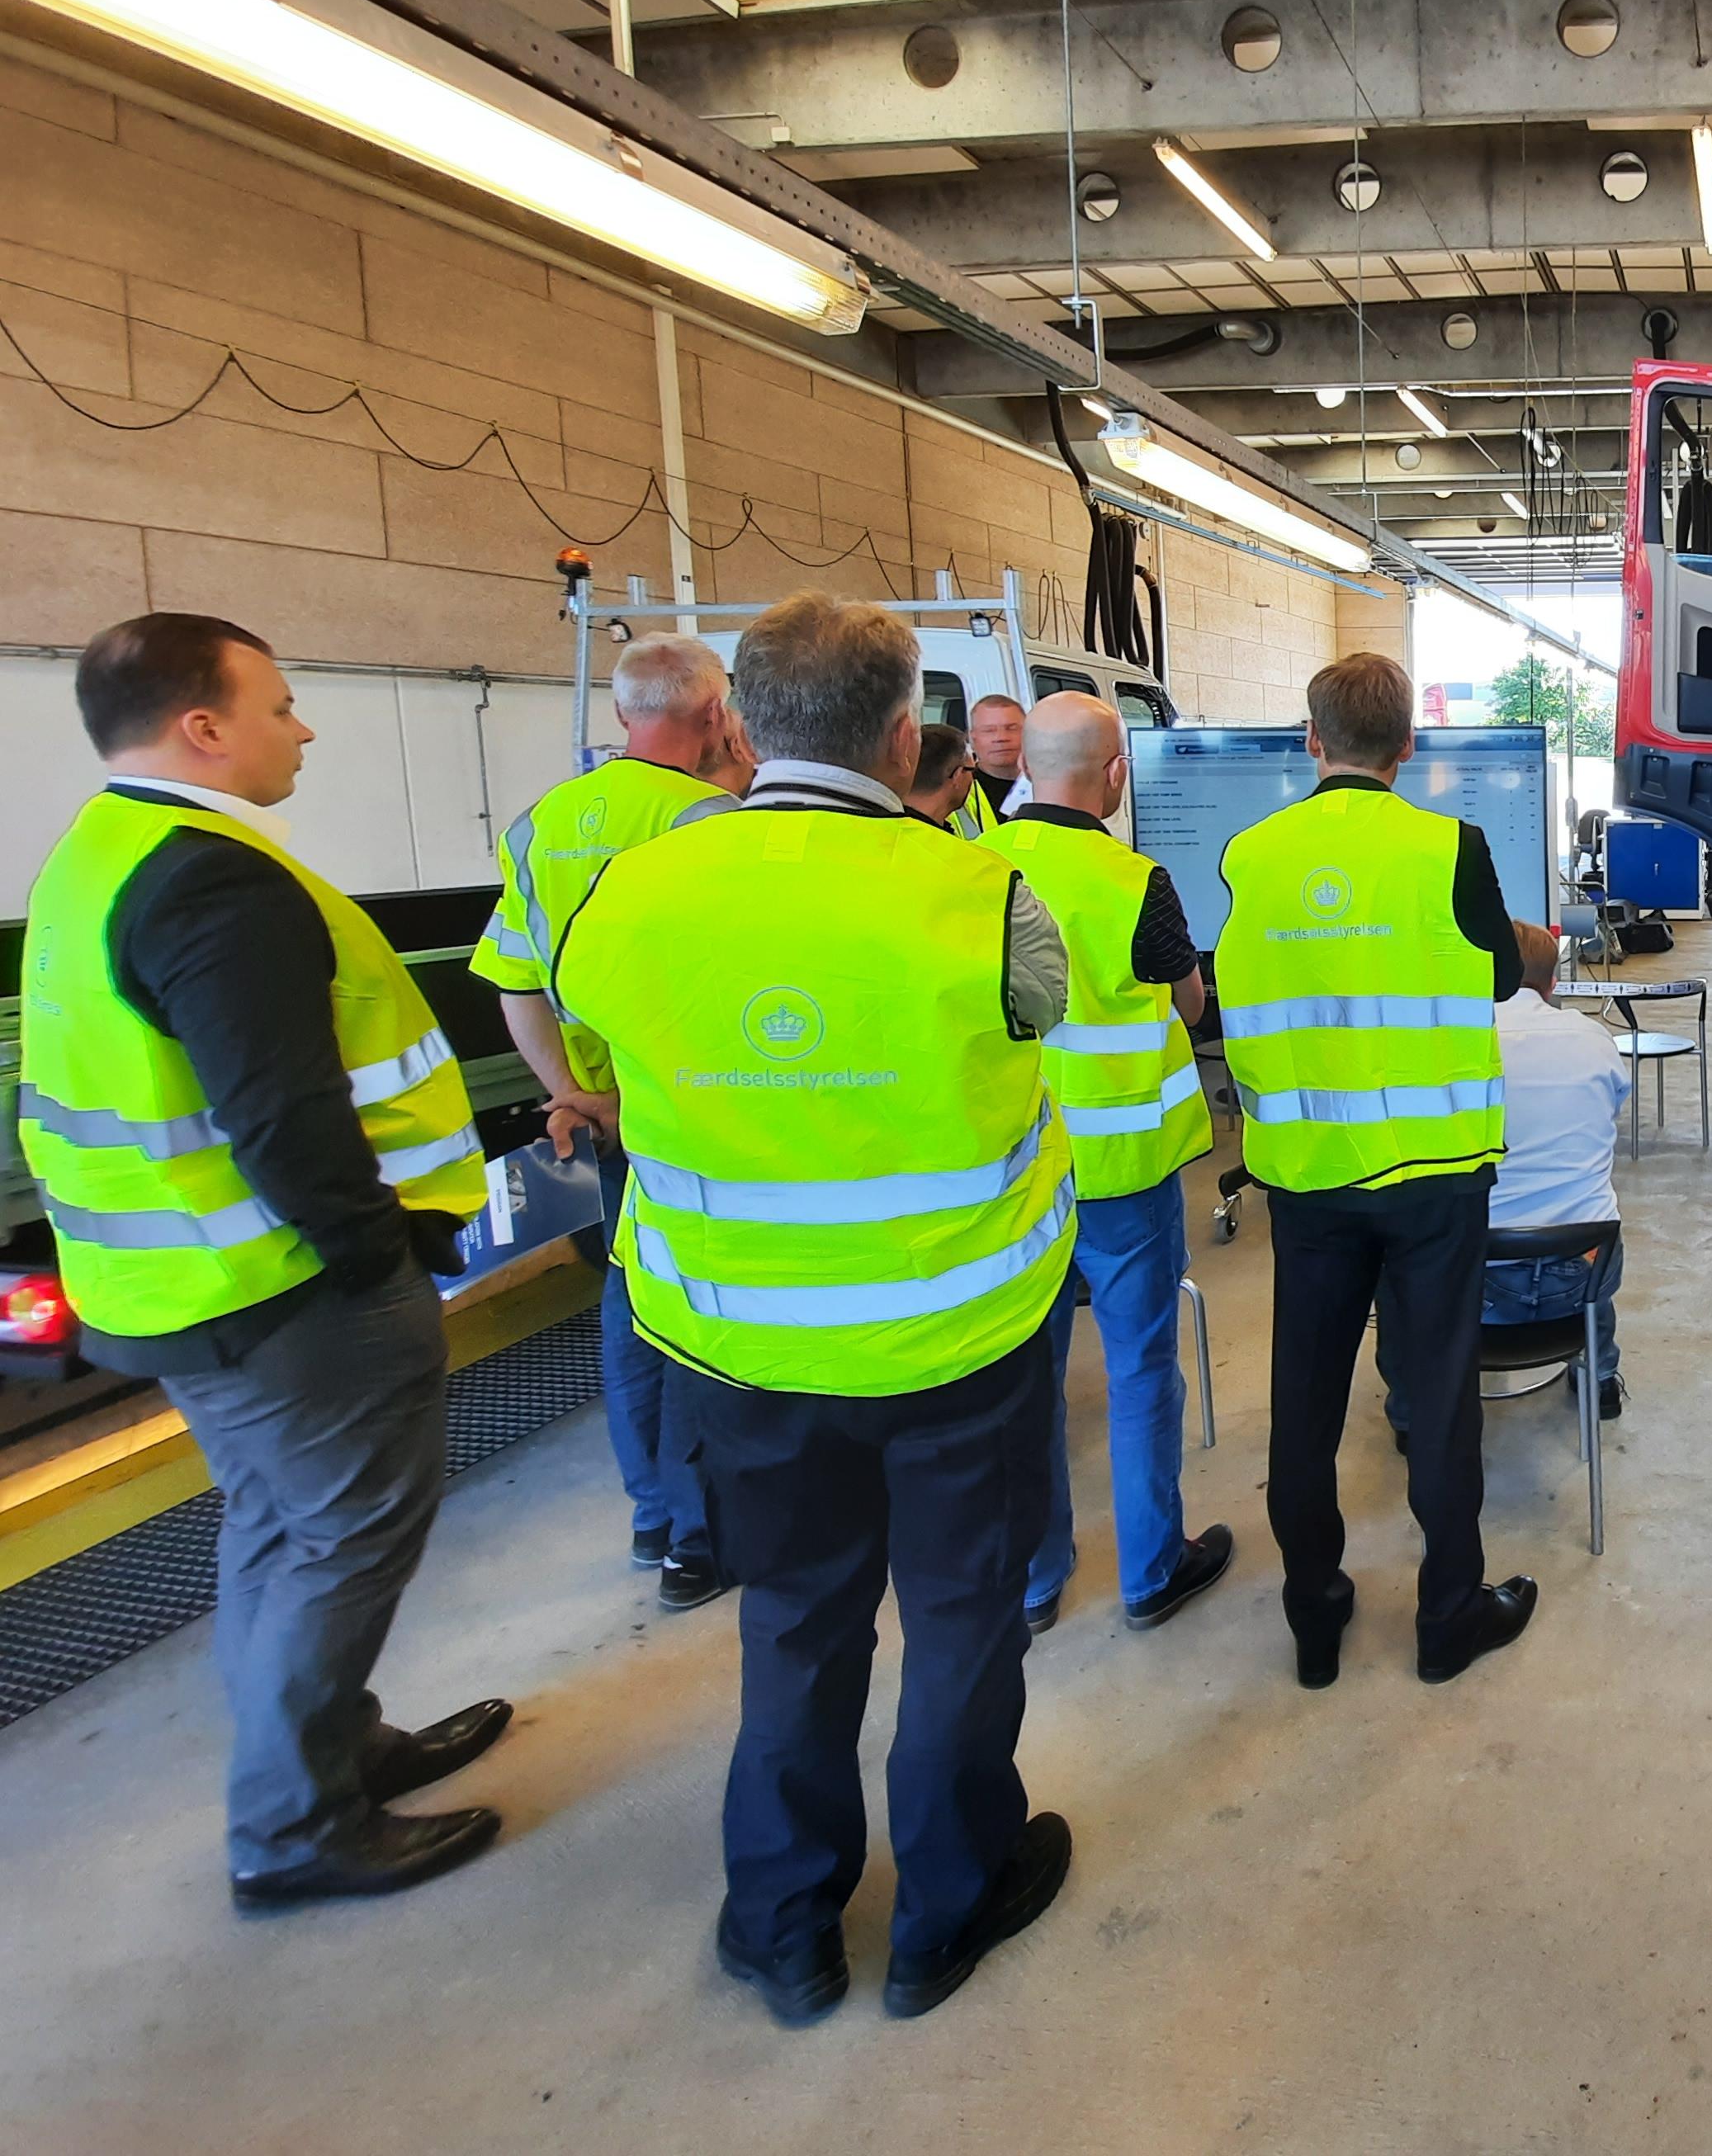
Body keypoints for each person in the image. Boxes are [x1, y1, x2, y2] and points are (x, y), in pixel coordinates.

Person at [556, 591, 1078, 2027]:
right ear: (906, 735)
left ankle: (785, 1927)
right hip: (958, 1342)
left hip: (743, 1351)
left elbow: (590, 1026)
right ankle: (946, 1912)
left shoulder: (631, 892)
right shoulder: (987, 896)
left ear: (739, 722)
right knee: (962, 1622)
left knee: (793, 1624)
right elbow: (1041, 1016)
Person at [17, 614, 511, 1908]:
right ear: (203, 726)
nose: (303, 727)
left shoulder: (101, 856)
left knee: (282, 1528)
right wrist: (376, 1258)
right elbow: (282, 1114)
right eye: (281, 705)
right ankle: (296, 1825)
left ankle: (335, 1750)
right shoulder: (212, 883)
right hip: (284, 1292)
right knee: (344, 1541)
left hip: (187, 1284)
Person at [1216, 654, 1534, 1690]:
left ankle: (1314, 1617)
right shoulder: (1451, 845)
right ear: (1407, 745)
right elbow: (1499, 974)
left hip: (1310, 1174)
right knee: (1436, 1398)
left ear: (1312, 740)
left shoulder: (1249, 855)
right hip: (1435, 1174)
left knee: (1304, 1405)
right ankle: (1447, 1618)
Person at [471, 632, 745, 1610]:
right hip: (692, 1111)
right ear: (715, 714)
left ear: (623, 715)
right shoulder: (711, 820)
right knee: (705, 1310)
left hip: (602, 1114)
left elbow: (513, 981)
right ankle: (701, 1540)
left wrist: (572, 1093)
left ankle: (654, 1517)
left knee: (631, 1305)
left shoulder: (541, 823)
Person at [993, 693, 1233, 1636]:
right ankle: (1151, 1570)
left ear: (1023, 768)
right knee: (1138, 1372)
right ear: (1117, 775)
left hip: (1010, 1173)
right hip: (1121, 1170)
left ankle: (1034, 1582)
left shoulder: (971, 867)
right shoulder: (1136, 882)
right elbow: (1189, 1004)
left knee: (1023, 1381)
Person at [1384, 920, 1629, 1449]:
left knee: (1388, 1254)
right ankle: (1601, 1378)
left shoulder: (1444, 1044)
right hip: (1582, 1272)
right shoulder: (1595, 1038)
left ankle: (1411, 1415)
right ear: (1553, 981)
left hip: (1472, 1281)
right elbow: (1609, 1109)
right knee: (1587, 1213)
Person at [960, 693, 1028, 837]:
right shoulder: (959, 792)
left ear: (1029, 732)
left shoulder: (1053, 786)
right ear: (972, 738)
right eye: (989, 730)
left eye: (1011, 728)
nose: (1001, 738)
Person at [905, 721, 977, 830]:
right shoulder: (937, 839)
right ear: (957, 776)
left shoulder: (880, 829)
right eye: (972, 770)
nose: (972, 779)